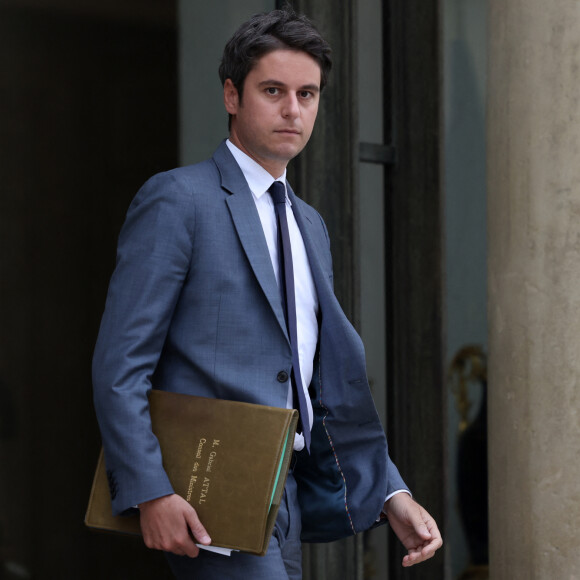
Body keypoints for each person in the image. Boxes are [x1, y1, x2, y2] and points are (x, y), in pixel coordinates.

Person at [92, 8, 442, 579]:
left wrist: (388, 492)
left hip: (291, 500)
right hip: (208, 498)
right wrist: (149, 490)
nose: (292, 109)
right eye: (273, 90)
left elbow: (314, 380)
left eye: (308, 94)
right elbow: (119, 364)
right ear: (232, 96)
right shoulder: (177, 201)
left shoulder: (309, 224)